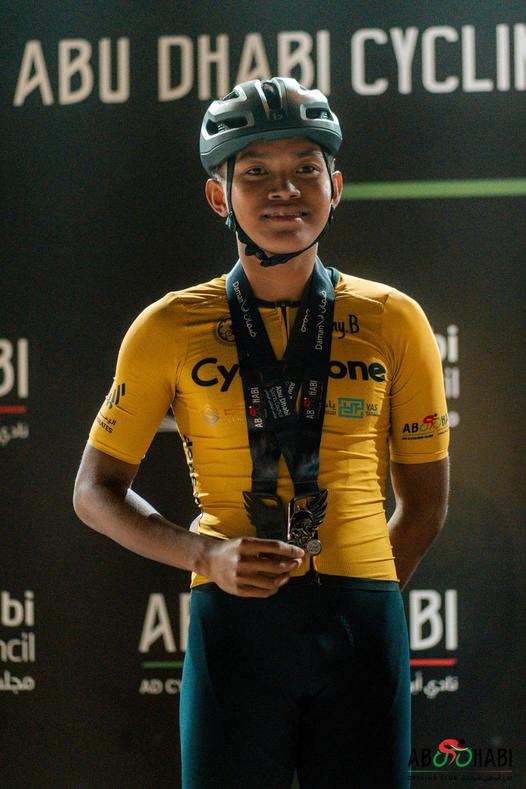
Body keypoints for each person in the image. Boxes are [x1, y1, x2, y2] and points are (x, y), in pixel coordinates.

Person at [73, 77, 449, 789]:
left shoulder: (395, 318)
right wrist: (204, 555)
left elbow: (426, 503)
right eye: (255, 172)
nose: (285, 190)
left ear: (336, 187)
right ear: (219, 197)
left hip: (363, 622)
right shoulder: (168, 326)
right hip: (233, 621)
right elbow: (94, 490)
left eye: (306, 168)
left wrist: (362, 592)